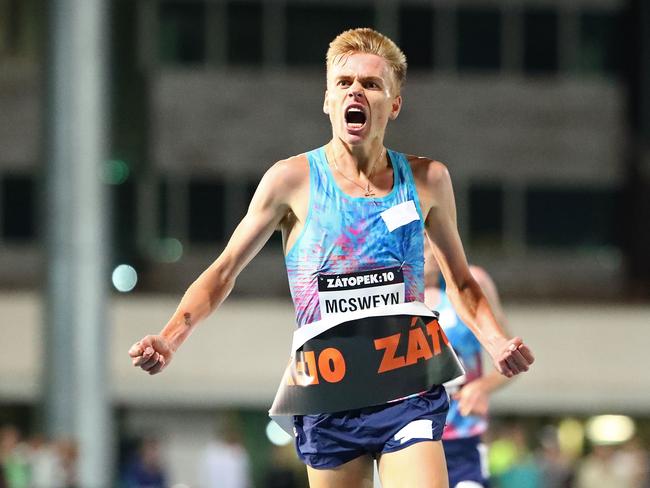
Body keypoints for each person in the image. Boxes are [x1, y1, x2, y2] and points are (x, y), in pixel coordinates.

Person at [129, 27, 534, 488]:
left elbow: (461, 283)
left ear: (394, 104)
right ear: (327, 100)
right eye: (344, 83)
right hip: (327, 387)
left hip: (407, 383)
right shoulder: (291, 180)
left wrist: (497, 342)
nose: (355, 91)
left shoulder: (427, 180)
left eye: (371, 83)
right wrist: (171, 336)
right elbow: (223, 271)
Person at [423, 243, 511, 487]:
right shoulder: (393, 291)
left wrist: (482, 386)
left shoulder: (473, 282)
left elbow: (511, 361)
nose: (425, 248)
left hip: (463, 438)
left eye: (428, 235)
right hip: (413, 440)